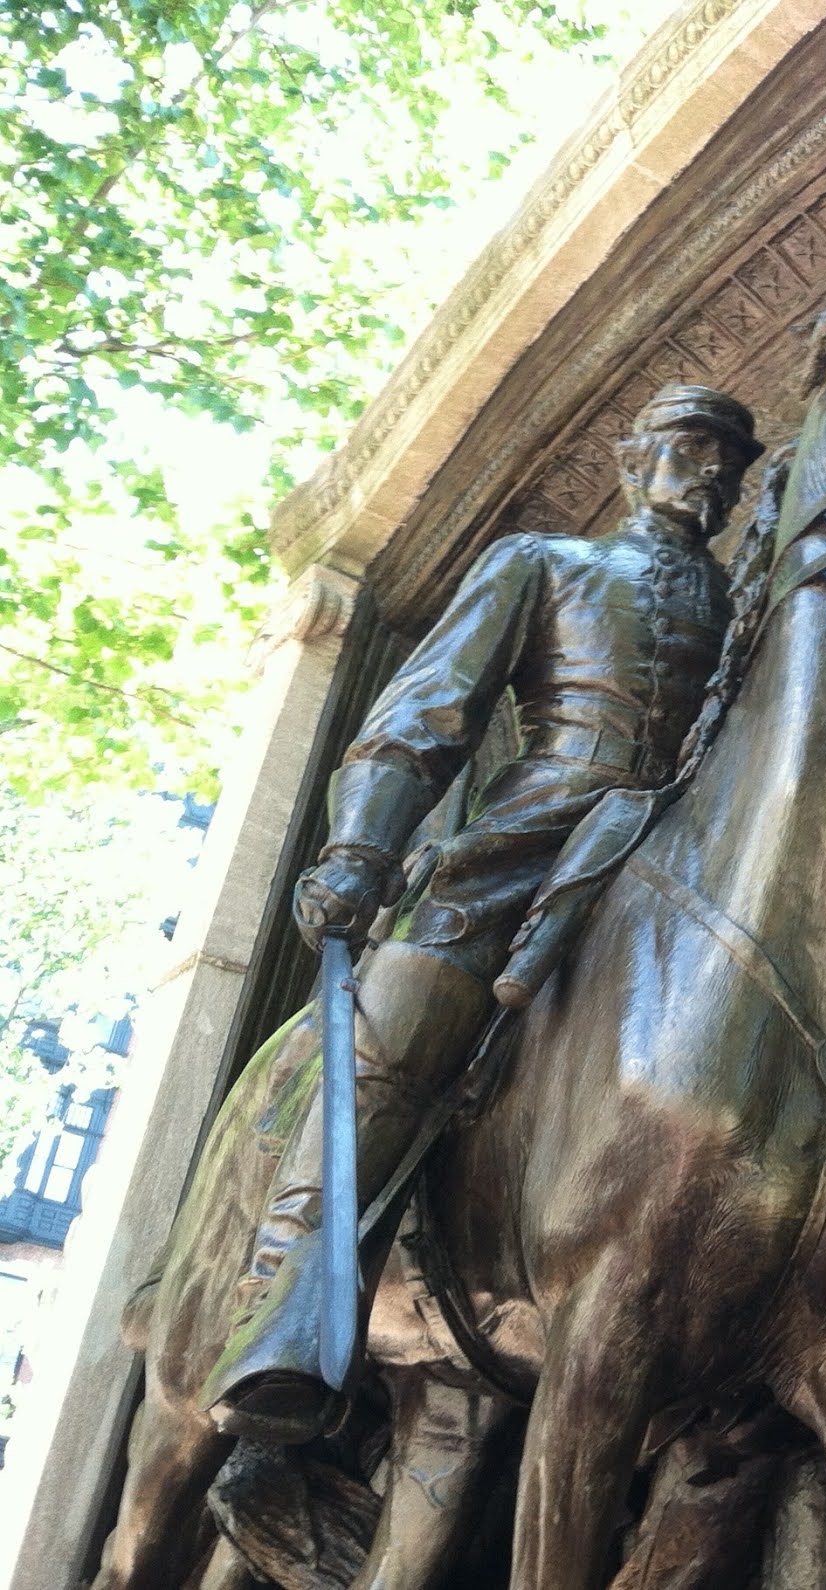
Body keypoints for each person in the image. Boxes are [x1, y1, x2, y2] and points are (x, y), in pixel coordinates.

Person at [202, 384, 762, 1441]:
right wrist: (361, 848)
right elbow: (421, 716)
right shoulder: (546, 564)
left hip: (690, 846)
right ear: (630, 456)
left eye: (729, 461)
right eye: (691, 448)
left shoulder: (750, 604)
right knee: (395, 1040)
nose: (713, 474)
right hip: (527, 845)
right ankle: (286, 1316)